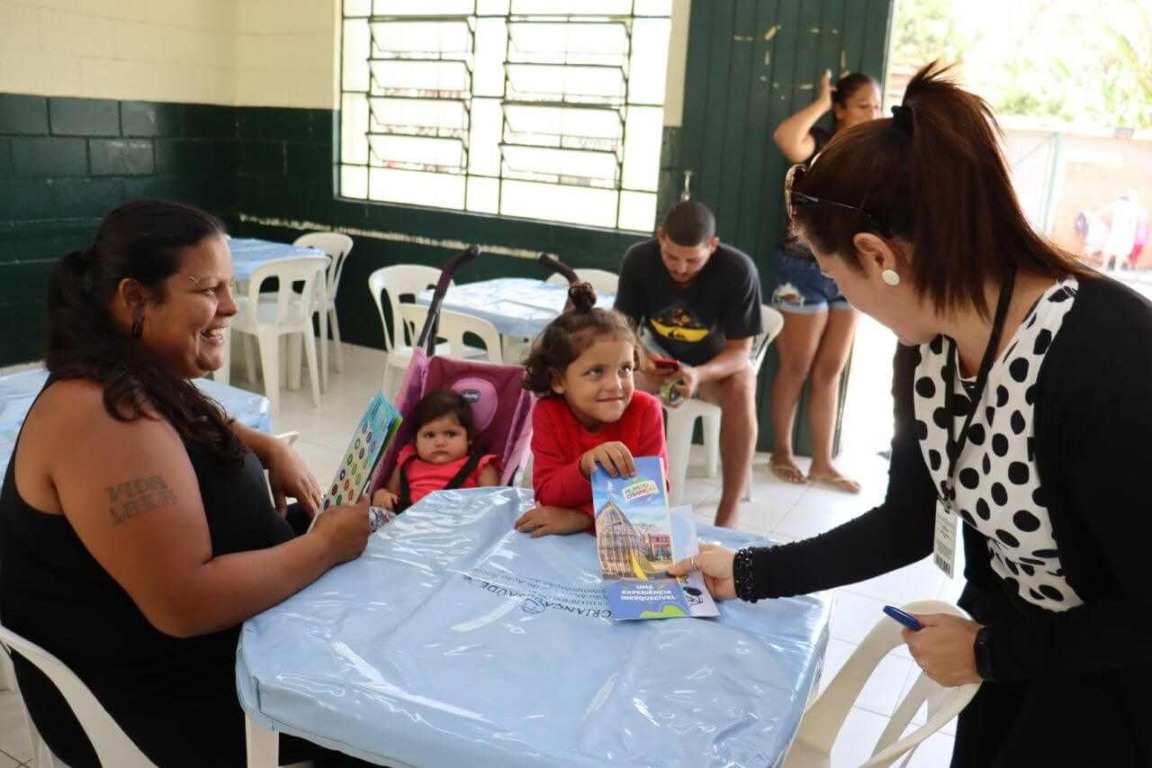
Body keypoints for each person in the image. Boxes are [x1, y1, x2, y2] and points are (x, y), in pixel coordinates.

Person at [669, 63, 1152, 767]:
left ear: (878, 255)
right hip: (1011, 652)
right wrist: (746, 573)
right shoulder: (928, 344)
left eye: (836, 278)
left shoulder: (1108, 355)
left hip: (1110, 685)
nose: (843, 297)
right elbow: (909, 521)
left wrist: (988, 651)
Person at [0, 200, 374, 768]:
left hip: (212, 655)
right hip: (167, 705)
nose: (230, 306)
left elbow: (192, 414)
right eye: (207, 290)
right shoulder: (104, 416)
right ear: (135, 298)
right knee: (383, 728)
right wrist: (323, 546)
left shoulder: (131, 371)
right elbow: (185, 604)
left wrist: (266, 445)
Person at [766, 69, 882, 493]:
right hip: (801, 270)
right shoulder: (819, 144)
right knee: (795, 366)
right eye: (863, 105)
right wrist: (820, 98)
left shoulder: (879, 153)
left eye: (877, 105)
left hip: (852, 272)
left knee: (830, 370)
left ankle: (822, 462)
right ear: (841, 109)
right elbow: (785, 138)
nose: (873, 113)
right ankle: (780, 450)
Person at [614, 201, 762, 528]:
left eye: (692, 260)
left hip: (714, 368)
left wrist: (697, 374)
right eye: (671, 257)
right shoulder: (639, 259)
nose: (680, 268)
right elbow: (623, 328)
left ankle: (728, 509)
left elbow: (740, 352)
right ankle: (621, 493)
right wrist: (642, 357)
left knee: (743, 387)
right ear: (660, 237)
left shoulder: (738, 270)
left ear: (713, 246)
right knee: (611, 377)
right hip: (657, 362)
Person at [515, 283, 667, 537]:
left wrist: (580, 518)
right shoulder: (548, 413)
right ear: (558, 380)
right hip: (562, 546)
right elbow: (547, 493)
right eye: (596, 372)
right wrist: (585, 467)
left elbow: (651, 498)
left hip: (629, 543)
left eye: (625, 369)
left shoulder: (646, 410)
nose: (615, 385)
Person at [371, 389, 500, 513]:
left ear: (469, 438)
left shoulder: (481, 465)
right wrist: (381, 495)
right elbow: (389, 491)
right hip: (404, 524)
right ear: (416, 440)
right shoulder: (407, 460)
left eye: (450, 434)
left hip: (456, 527)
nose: (439, 443)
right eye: (429, 435)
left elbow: (493, 506)